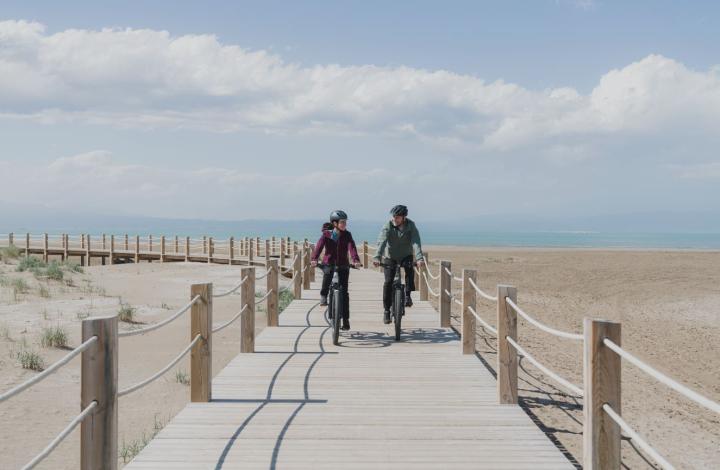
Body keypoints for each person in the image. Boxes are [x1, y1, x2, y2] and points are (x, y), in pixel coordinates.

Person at [372, 205, 425, 324]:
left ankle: (407, 295)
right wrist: (377, 257)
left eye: (398, 217)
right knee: (388, 282)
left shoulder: (411, 225)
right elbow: (382, 241)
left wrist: (419, 258)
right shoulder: (388, 226)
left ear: (404, 217)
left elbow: (416, 241)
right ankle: (386, 310)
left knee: (409, 270)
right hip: (390, 257)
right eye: (394, 216)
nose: (395, 219)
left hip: (405, 255)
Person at [311, 210, 362, 331]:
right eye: (342, 222)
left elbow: (352, 247)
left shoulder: (347, 235)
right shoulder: (326, 235)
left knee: (344, 293)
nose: (344, 224)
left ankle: (345, 320)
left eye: (345, 222)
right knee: (327, 277)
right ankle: (323, 295)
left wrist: (355, 260)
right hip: (329, 263)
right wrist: (314, 259)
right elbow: (319, 246)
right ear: (334, 223)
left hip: (343, 264)